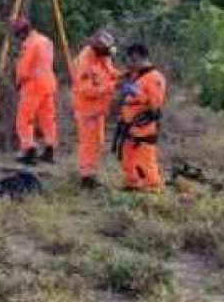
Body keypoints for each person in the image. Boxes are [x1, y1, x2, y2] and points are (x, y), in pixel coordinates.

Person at [71, 29, 120, 187]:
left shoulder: (103, 58)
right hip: (86, 110)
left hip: (98, 110)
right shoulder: (84, 62)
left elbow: (110, 72)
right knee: (88, 143)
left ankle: (93, 173)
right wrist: (113, 86)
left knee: (97, 143)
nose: (108, 55)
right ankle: (86, 177)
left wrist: (125, 76)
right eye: (106, 52)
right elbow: (87, 90)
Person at [116, 42, 167, 192]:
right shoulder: (136, 75)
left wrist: (135, 92)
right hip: (129, 125)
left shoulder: (155, 78)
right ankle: (133, 185)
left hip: (143, 126)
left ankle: (152, 188)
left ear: (139, 58)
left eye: (132, 60)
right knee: (128, 158)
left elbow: (155, 104)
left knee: (144, 160)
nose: (130, 64)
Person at [12, 15, 58, 165]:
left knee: (24, 119)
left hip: (33, 86)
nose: (19, 39)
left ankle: (28, 150)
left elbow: (24, 69)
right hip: (49, 84)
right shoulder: (46, 41)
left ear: (22, 32)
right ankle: (49, 150)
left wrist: (18, 82)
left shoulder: (29, 45)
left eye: (18, 35)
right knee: (47, 119)